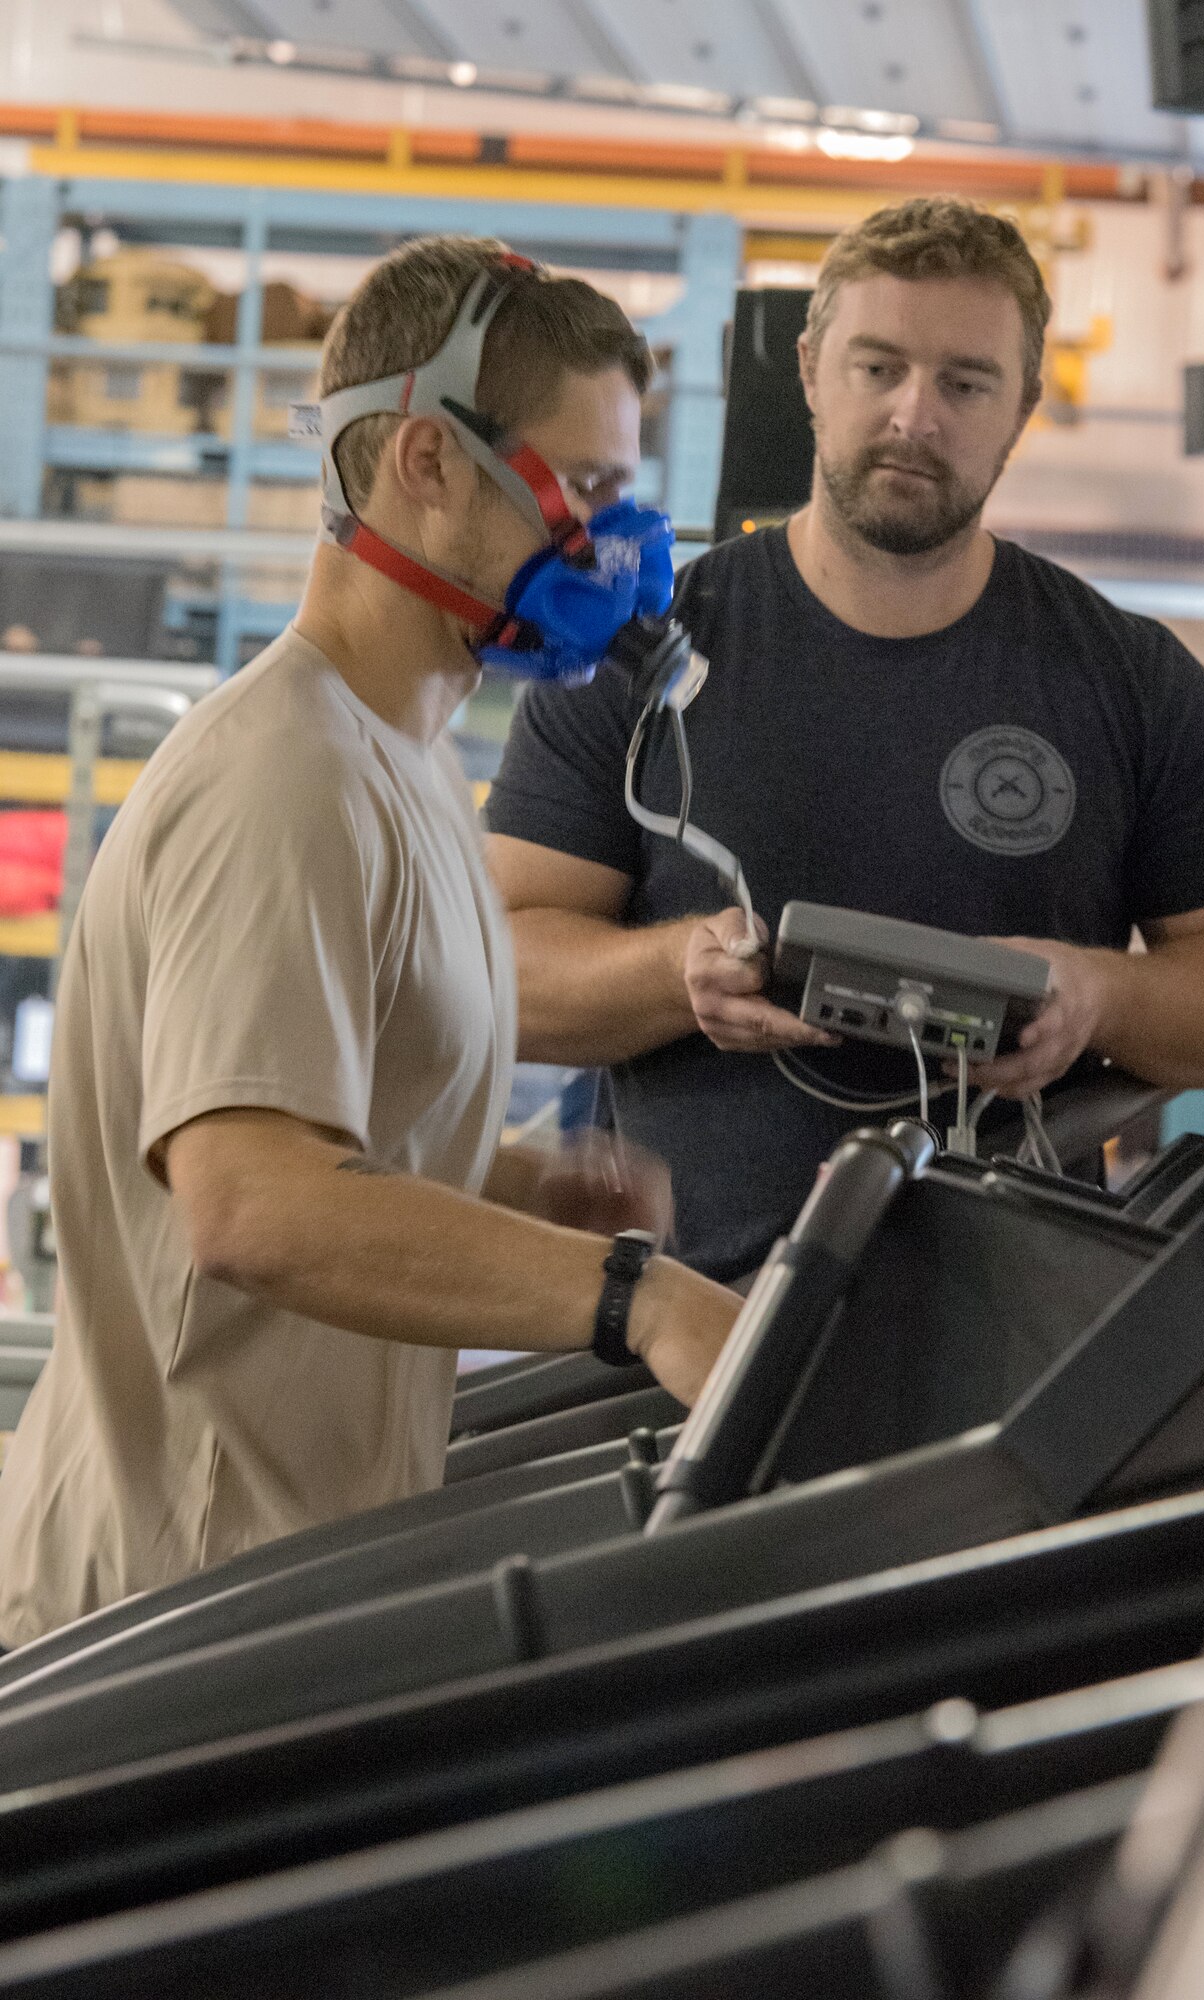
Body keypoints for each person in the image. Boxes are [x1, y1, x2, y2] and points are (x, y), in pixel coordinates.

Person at [0, 236, 741, 1650]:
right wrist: (634, 1301)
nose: (618, 551)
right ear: (422, 461)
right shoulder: (285, 780)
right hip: (166, 1605)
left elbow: (338, 1132)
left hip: (276, 1570)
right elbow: (252, 1203)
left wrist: (519, 1184)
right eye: (581, 490)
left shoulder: (401, 760)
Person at [486, 197, 1204, 1286]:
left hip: (1014, 1336)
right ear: (811, 369)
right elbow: (495, 976)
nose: (914, 416)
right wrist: (673, 972)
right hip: (687, 1326)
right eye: (878, 368)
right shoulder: (643, 655)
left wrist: (1099, 997)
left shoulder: (1129, 679)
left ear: (1020, 406)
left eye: (965, 383)